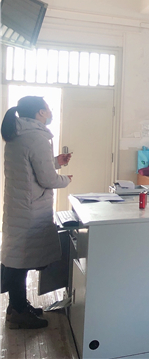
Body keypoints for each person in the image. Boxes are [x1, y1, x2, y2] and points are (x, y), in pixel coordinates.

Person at [1, 96, 72, 329]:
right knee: (20, 261)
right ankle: (19, 312)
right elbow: (46, 179)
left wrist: (56, 161)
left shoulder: (18, 133)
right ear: (40, 112)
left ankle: (17, 306)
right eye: (48, 109)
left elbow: (29, 166)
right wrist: (65, 179)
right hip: (30, 208)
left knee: (17, 258)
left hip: (19, 205)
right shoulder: (37, 136)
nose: (50, 113)